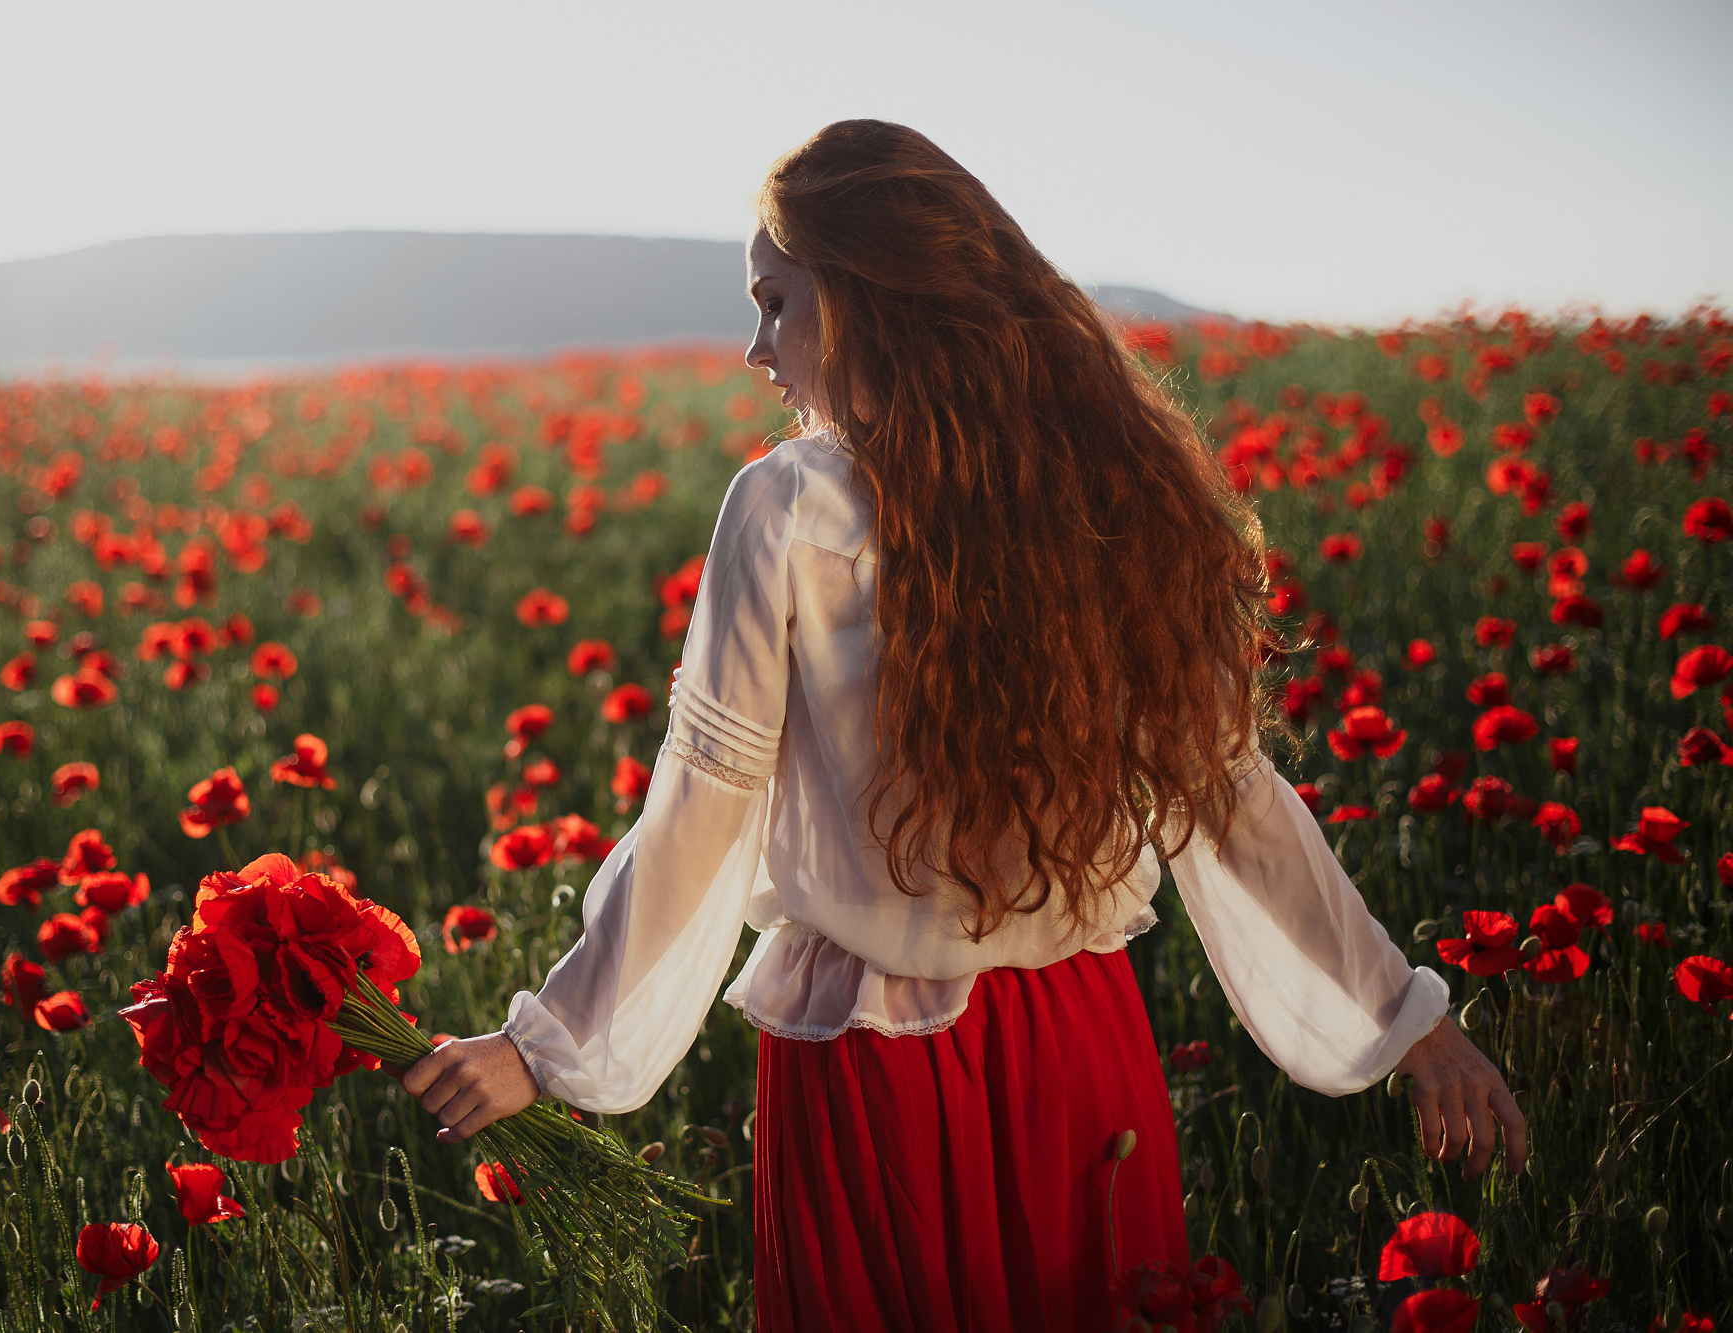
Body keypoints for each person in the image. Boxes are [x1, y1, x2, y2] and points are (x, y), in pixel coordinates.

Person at [395, 119, 1527, 1331]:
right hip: (1079, 1045)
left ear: (868, 295)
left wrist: (547, 1044)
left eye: (775, 303)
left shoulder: (787, 507)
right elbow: (1232, 797)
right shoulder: (1112, 484)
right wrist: (1408, 1024)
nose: (754, 347)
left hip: (868, 1070)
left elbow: (701, 807)